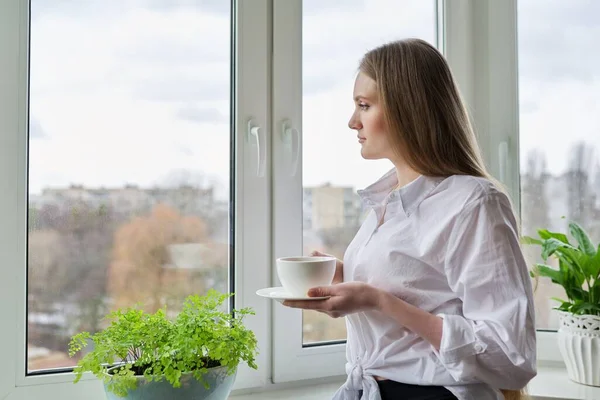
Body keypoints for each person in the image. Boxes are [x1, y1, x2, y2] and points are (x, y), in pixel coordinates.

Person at [283, 38, 536, 400]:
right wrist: (344, 276)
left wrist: (377, 300)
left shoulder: (474, 202)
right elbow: (419, 286)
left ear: (407, 109)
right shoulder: (385, 204)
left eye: (364, 105)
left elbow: (512, 356)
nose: (352, 122)